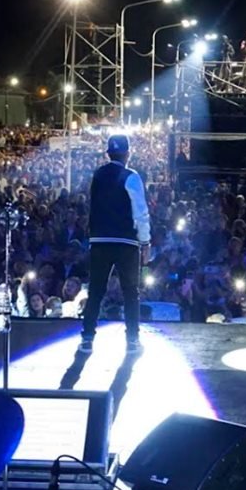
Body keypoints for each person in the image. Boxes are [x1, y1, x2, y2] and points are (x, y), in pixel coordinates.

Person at [81, 134, 150, 353]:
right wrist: (145, 241)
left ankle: (87, 338)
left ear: (108, 153)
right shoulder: (132, 176)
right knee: (130, 292)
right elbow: (140, 212)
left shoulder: (97, 175)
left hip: (99, 241)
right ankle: (132, 340)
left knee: (96, 291)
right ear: (128, 153)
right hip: (126, 242)